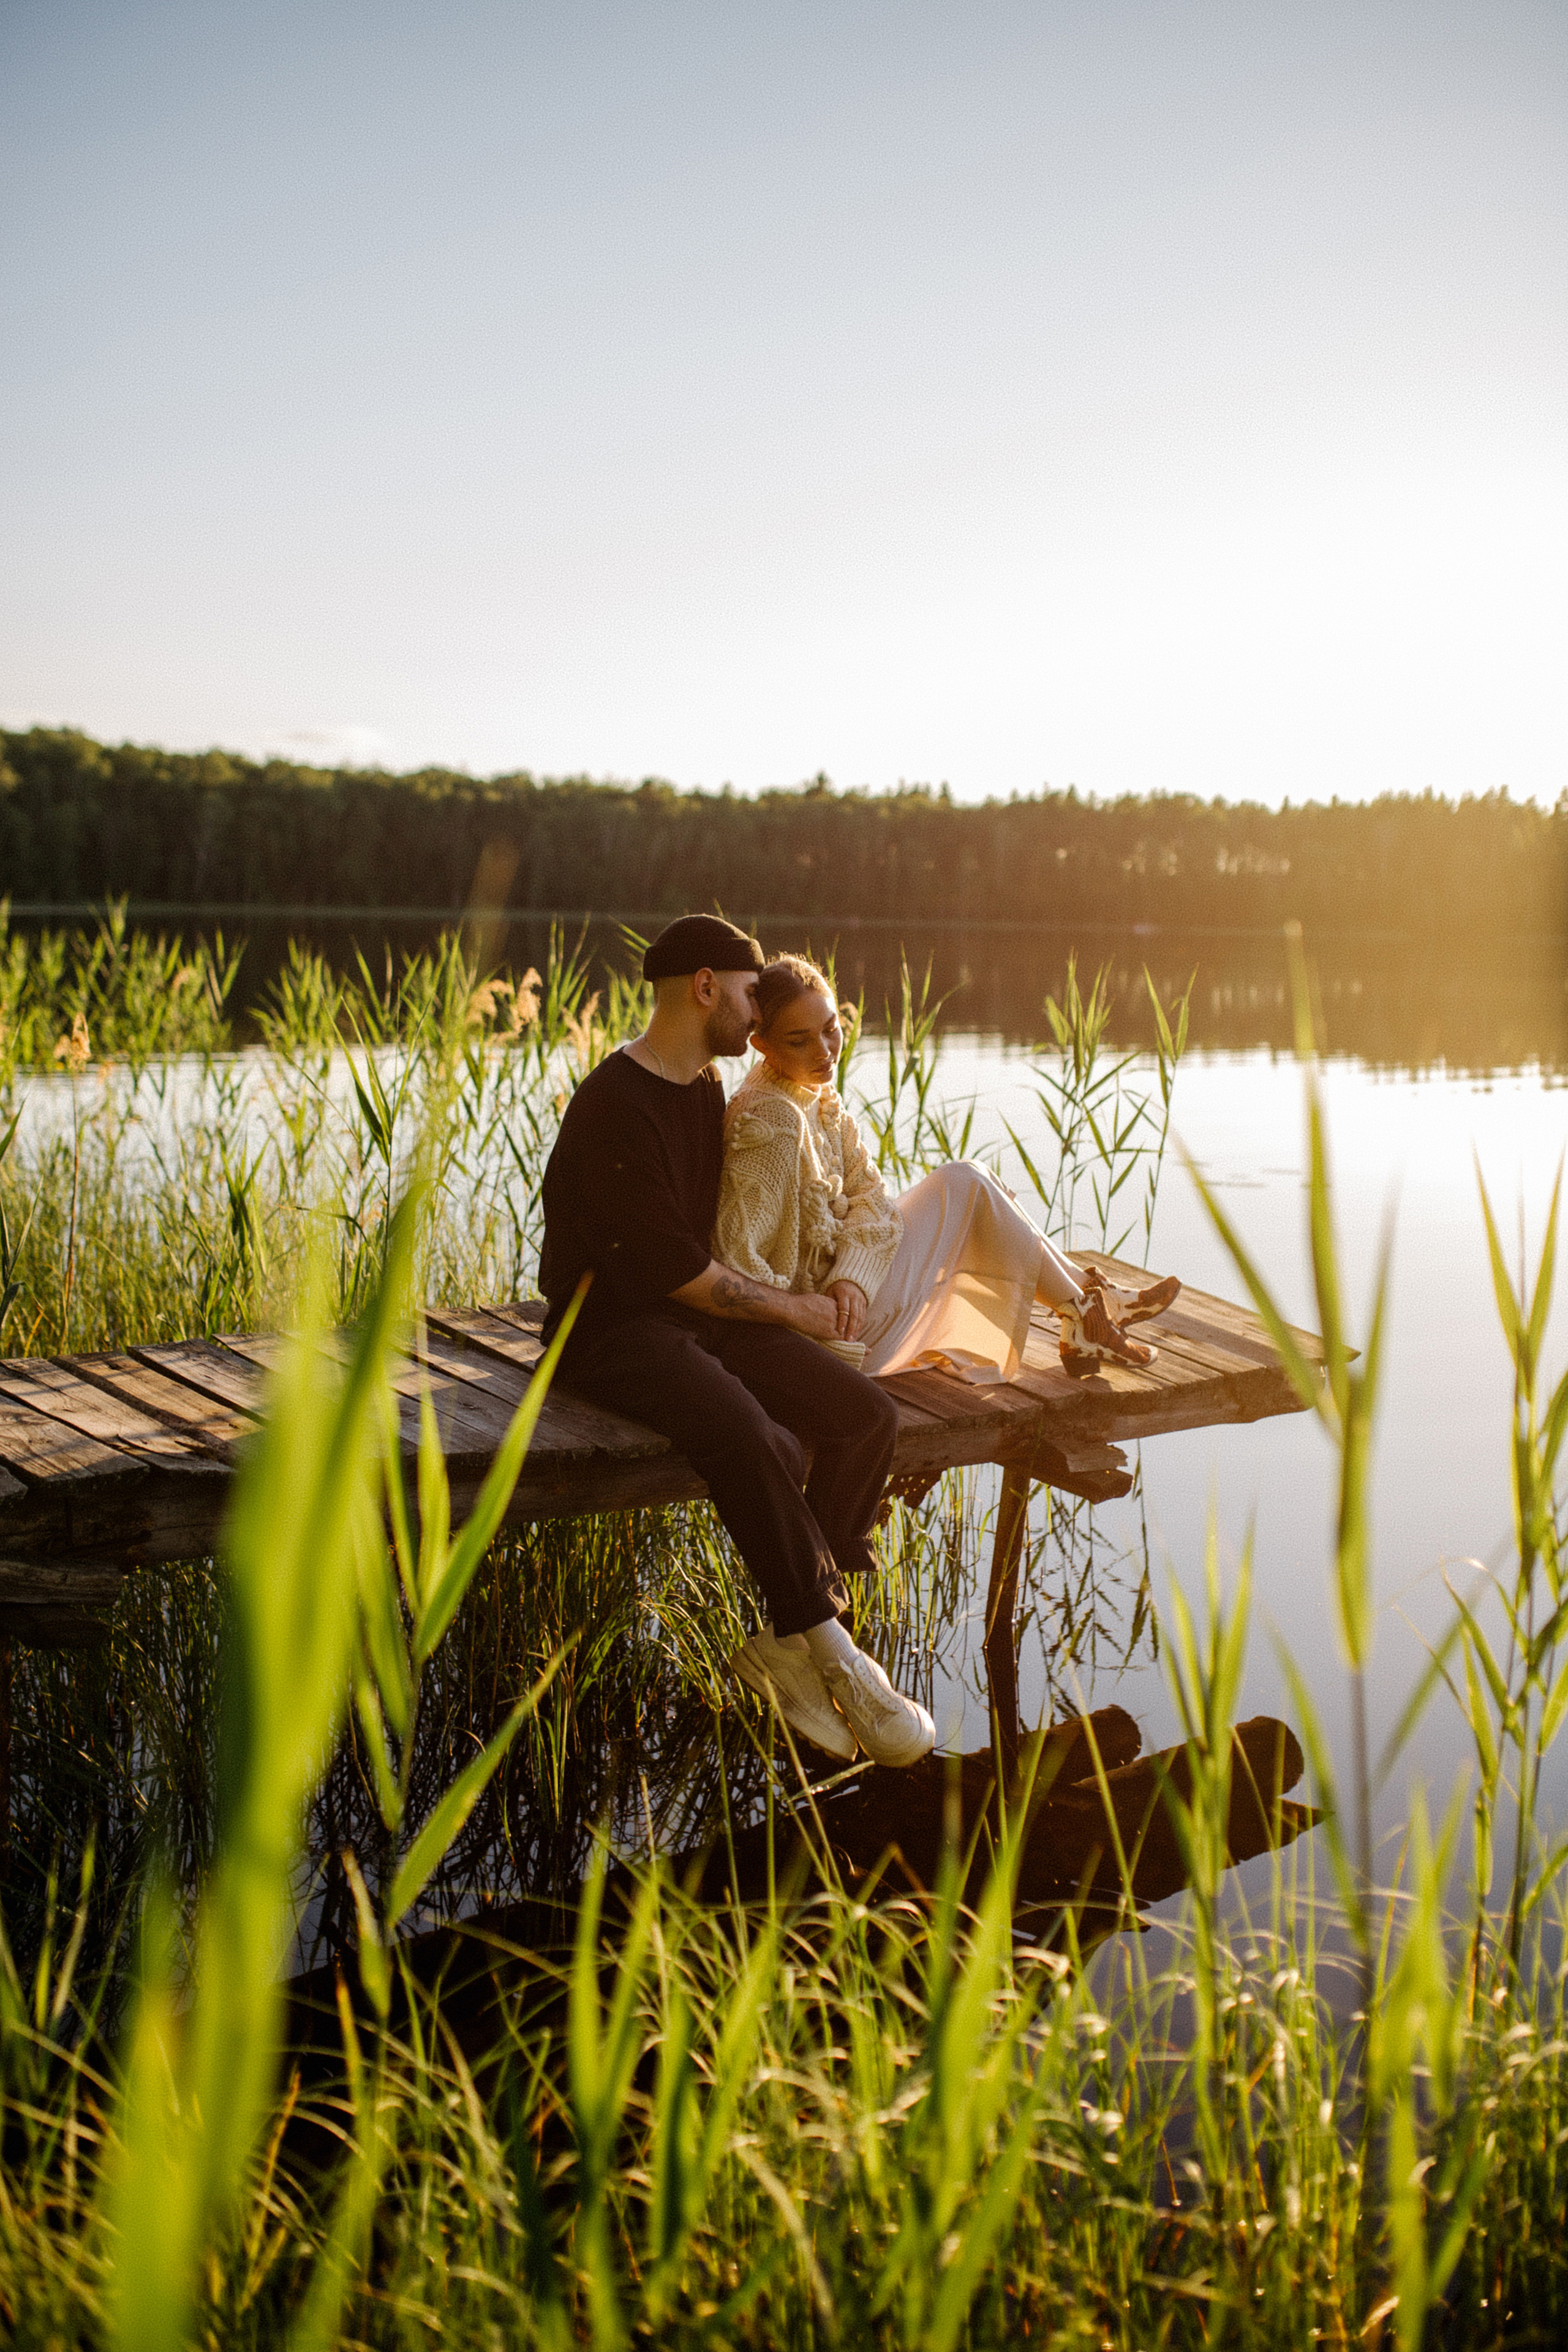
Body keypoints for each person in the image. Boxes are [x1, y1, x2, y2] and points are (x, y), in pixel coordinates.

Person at [537, 914, 936, 1770]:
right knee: (752, 1433)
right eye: (753, 993)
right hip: (608, 1331)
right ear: (706, 987)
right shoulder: (615, 1104)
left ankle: (784, 1644)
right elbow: (674, 1269)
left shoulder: (702, 1090)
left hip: (690, 1320)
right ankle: (830, 1648)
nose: (759, 1017)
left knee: (865, 1415)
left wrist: (823, 1286)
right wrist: (794, 1312)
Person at [714, 955, 1182, 1386]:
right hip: (831, 1327)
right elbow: (739, 1260)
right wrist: (816, 1306)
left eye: (831, 1029)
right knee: (966, 1183)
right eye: (800, 1040)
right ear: (761, 1044)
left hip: (848, 1287)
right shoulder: (771, 1121)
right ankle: (1088, 1310)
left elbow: (870, 1194)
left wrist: (853, 1273)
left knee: (975, 1181)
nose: (825, 1051)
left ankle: (1089, 1303)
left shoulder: (812, 1093)